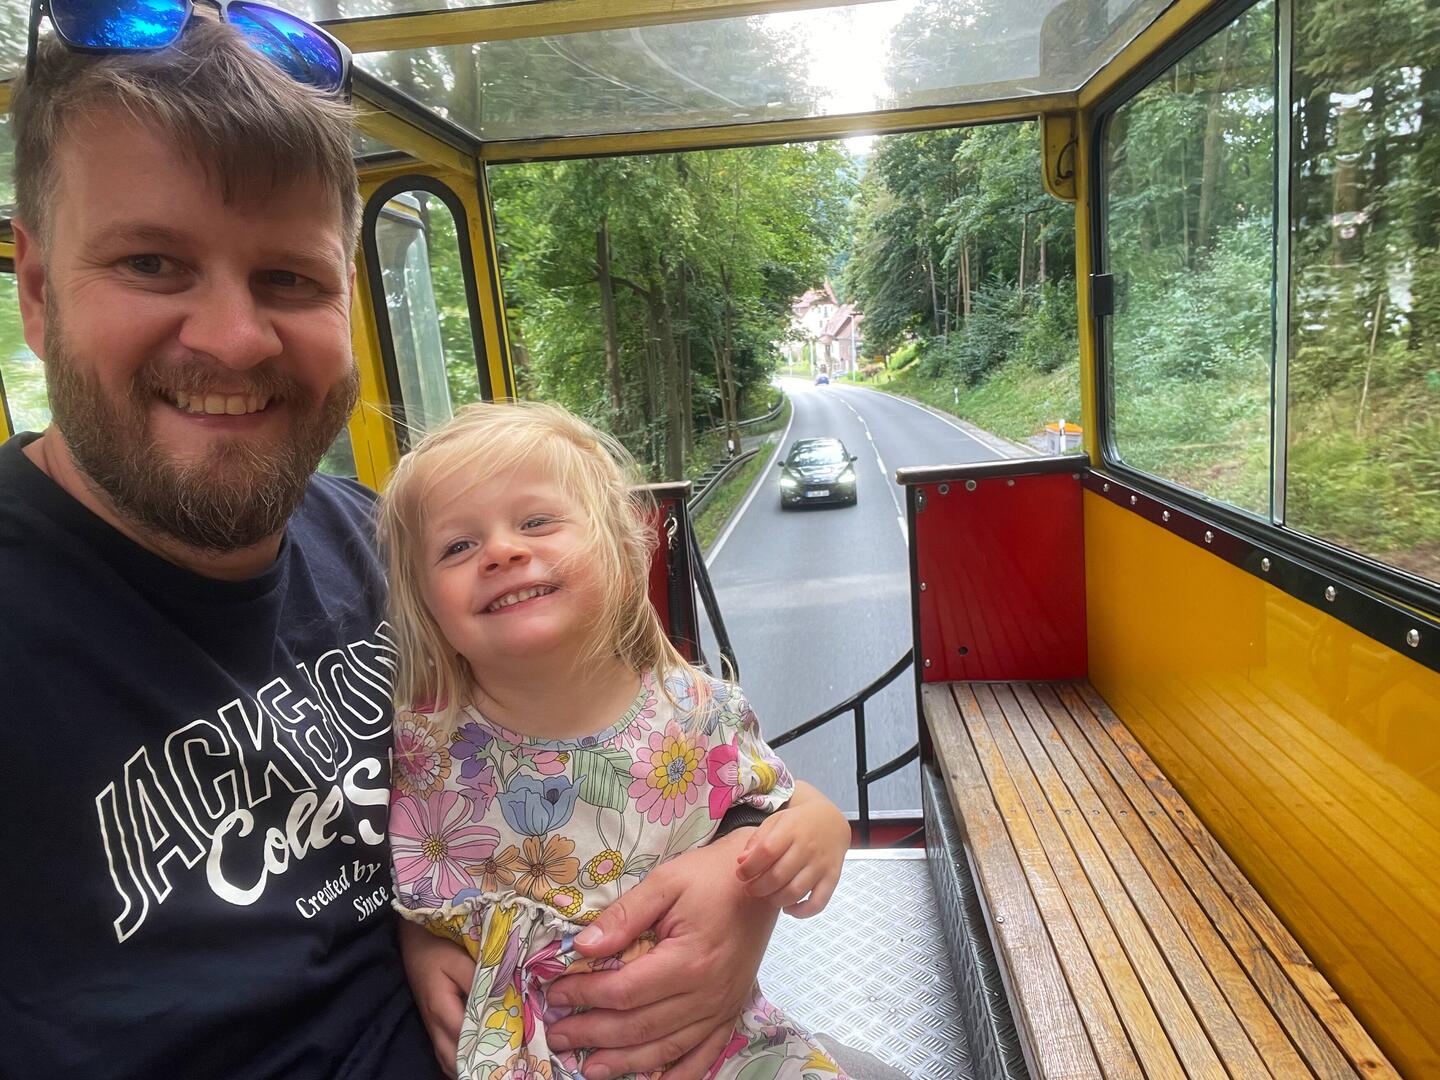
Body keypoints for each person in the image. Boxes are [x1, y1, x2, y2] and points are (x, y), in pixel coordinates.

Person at [0, 14, 784, 1079]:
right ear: (37, 290)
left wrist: (737, 890)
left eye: (289, 279)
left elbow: (623, 739)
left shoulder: (379, 547)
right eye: (151, 263)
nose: (234, 338)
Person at [375, 402, 853, 1080]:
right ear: (424, 604)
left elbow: (775, 806)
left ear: (622, 548)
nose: (502, 551)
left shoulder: (696, 712)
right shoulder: (421, 751)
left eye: (536, 522)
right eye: (457, 547)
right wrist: (421, 941)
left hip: (708, 1050)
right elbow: (401, 894)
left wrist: (821, 831)